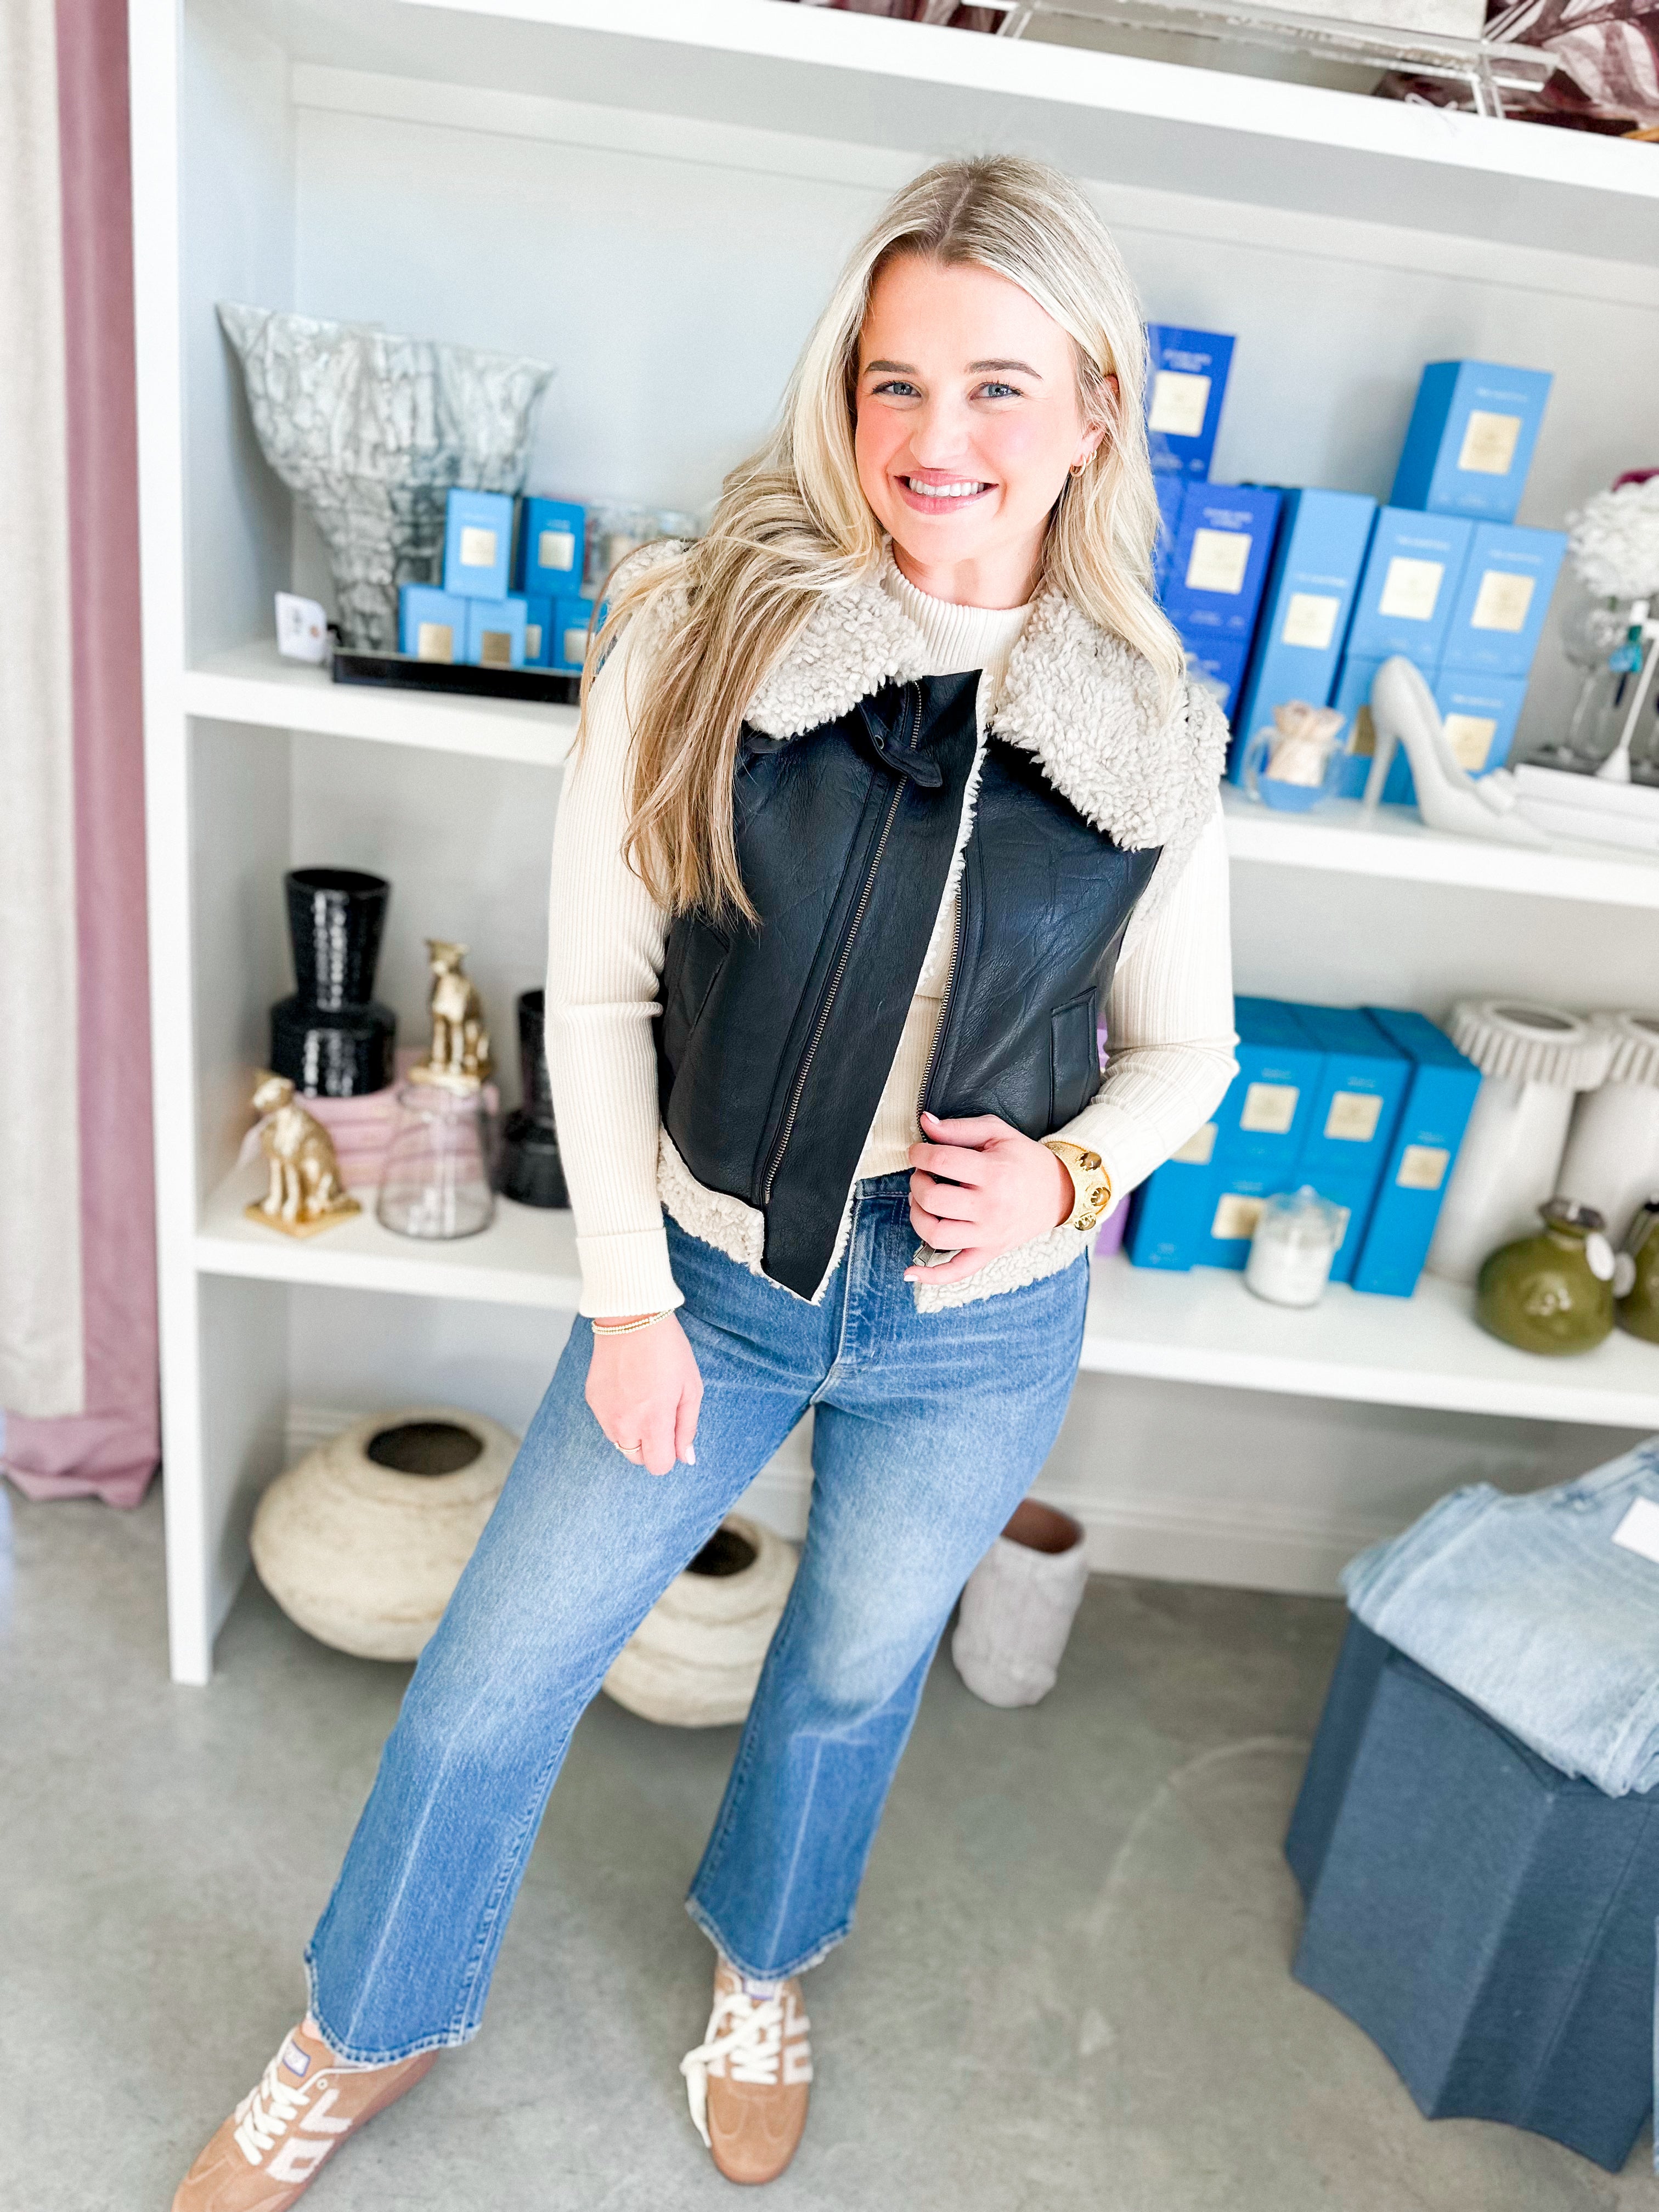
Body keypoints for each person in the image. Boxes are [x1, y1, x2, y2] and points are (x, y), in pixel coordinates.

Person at [173, 153, 1237, 2208]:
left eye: (998, 386)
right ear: (844, 387)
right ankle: (362, 2029)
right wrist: (629, 1298)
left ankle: (763, 1968)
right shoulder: (702, 631)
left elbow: (1191, 1052)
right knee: (495, 1678)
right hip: (716, 1280)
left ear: (1096, 409)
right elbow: (598, 999)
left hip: (979, 1324)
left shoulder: (1152, 723)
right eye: (894, 380)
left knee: (844, 1681)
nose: (935, 437)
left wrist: (1070, 1181)